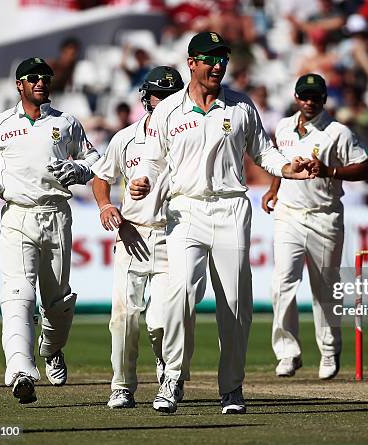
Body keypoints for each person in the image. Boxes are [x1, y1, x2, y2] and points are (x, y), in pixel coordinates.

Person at [129, 31, 316, 415]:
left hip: (231, 208)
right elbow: (152, 158)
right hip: (185, 210)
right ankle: (172, 379)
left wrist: (287, 168)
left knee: (234, 305)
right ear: (191, 62)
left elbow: (263, 152)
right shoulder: (167, 111)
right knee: (178, 295)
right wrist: (142, 178)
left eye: (223, 59)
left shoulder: (241, 106)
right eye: (210, 59)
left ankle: (231, 387)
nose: (218, 65)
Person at [0, 57, 99, 404]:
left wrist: (79, 169)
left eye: (46, 77)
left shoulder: (66, 123)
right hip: (17, 216)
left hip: (56, 215)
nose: (41, 82)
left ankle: (52, 349)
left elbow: (96, 161)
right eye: (33, 78)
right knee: (17, 294)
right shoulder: (0, 124)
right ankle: (21, 370)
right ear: (19, 84)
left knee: (57, 302)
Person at [261, 73, 368, 379]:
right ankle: (287, 352)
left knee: (324, 290)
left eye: (315, 97)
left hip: (324, 215)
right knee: (282, 283)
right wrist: (273, 188)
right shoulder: (283, 126)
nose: (309, 102)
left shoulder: (338, 132)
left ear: (324, 99)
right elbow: (277, 160)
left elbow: (363, 167)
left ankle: (329, 351)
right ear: (296, 97)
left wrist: (330, 170)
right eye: (304, 96)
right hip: (289, 214)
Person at [91, 66, 184, 409]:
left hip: (174, 236)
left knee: (160, 321)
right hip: (131, 235)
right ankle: (122, 386)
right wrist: (105, 206)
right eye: (159, 96)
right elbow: (101, 177)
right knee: (124, 316)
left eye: (172, 97)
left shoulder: (187, 137)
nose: (165, 104)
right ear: (146, 98)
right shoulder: (126, 138)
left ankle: (168, 373)